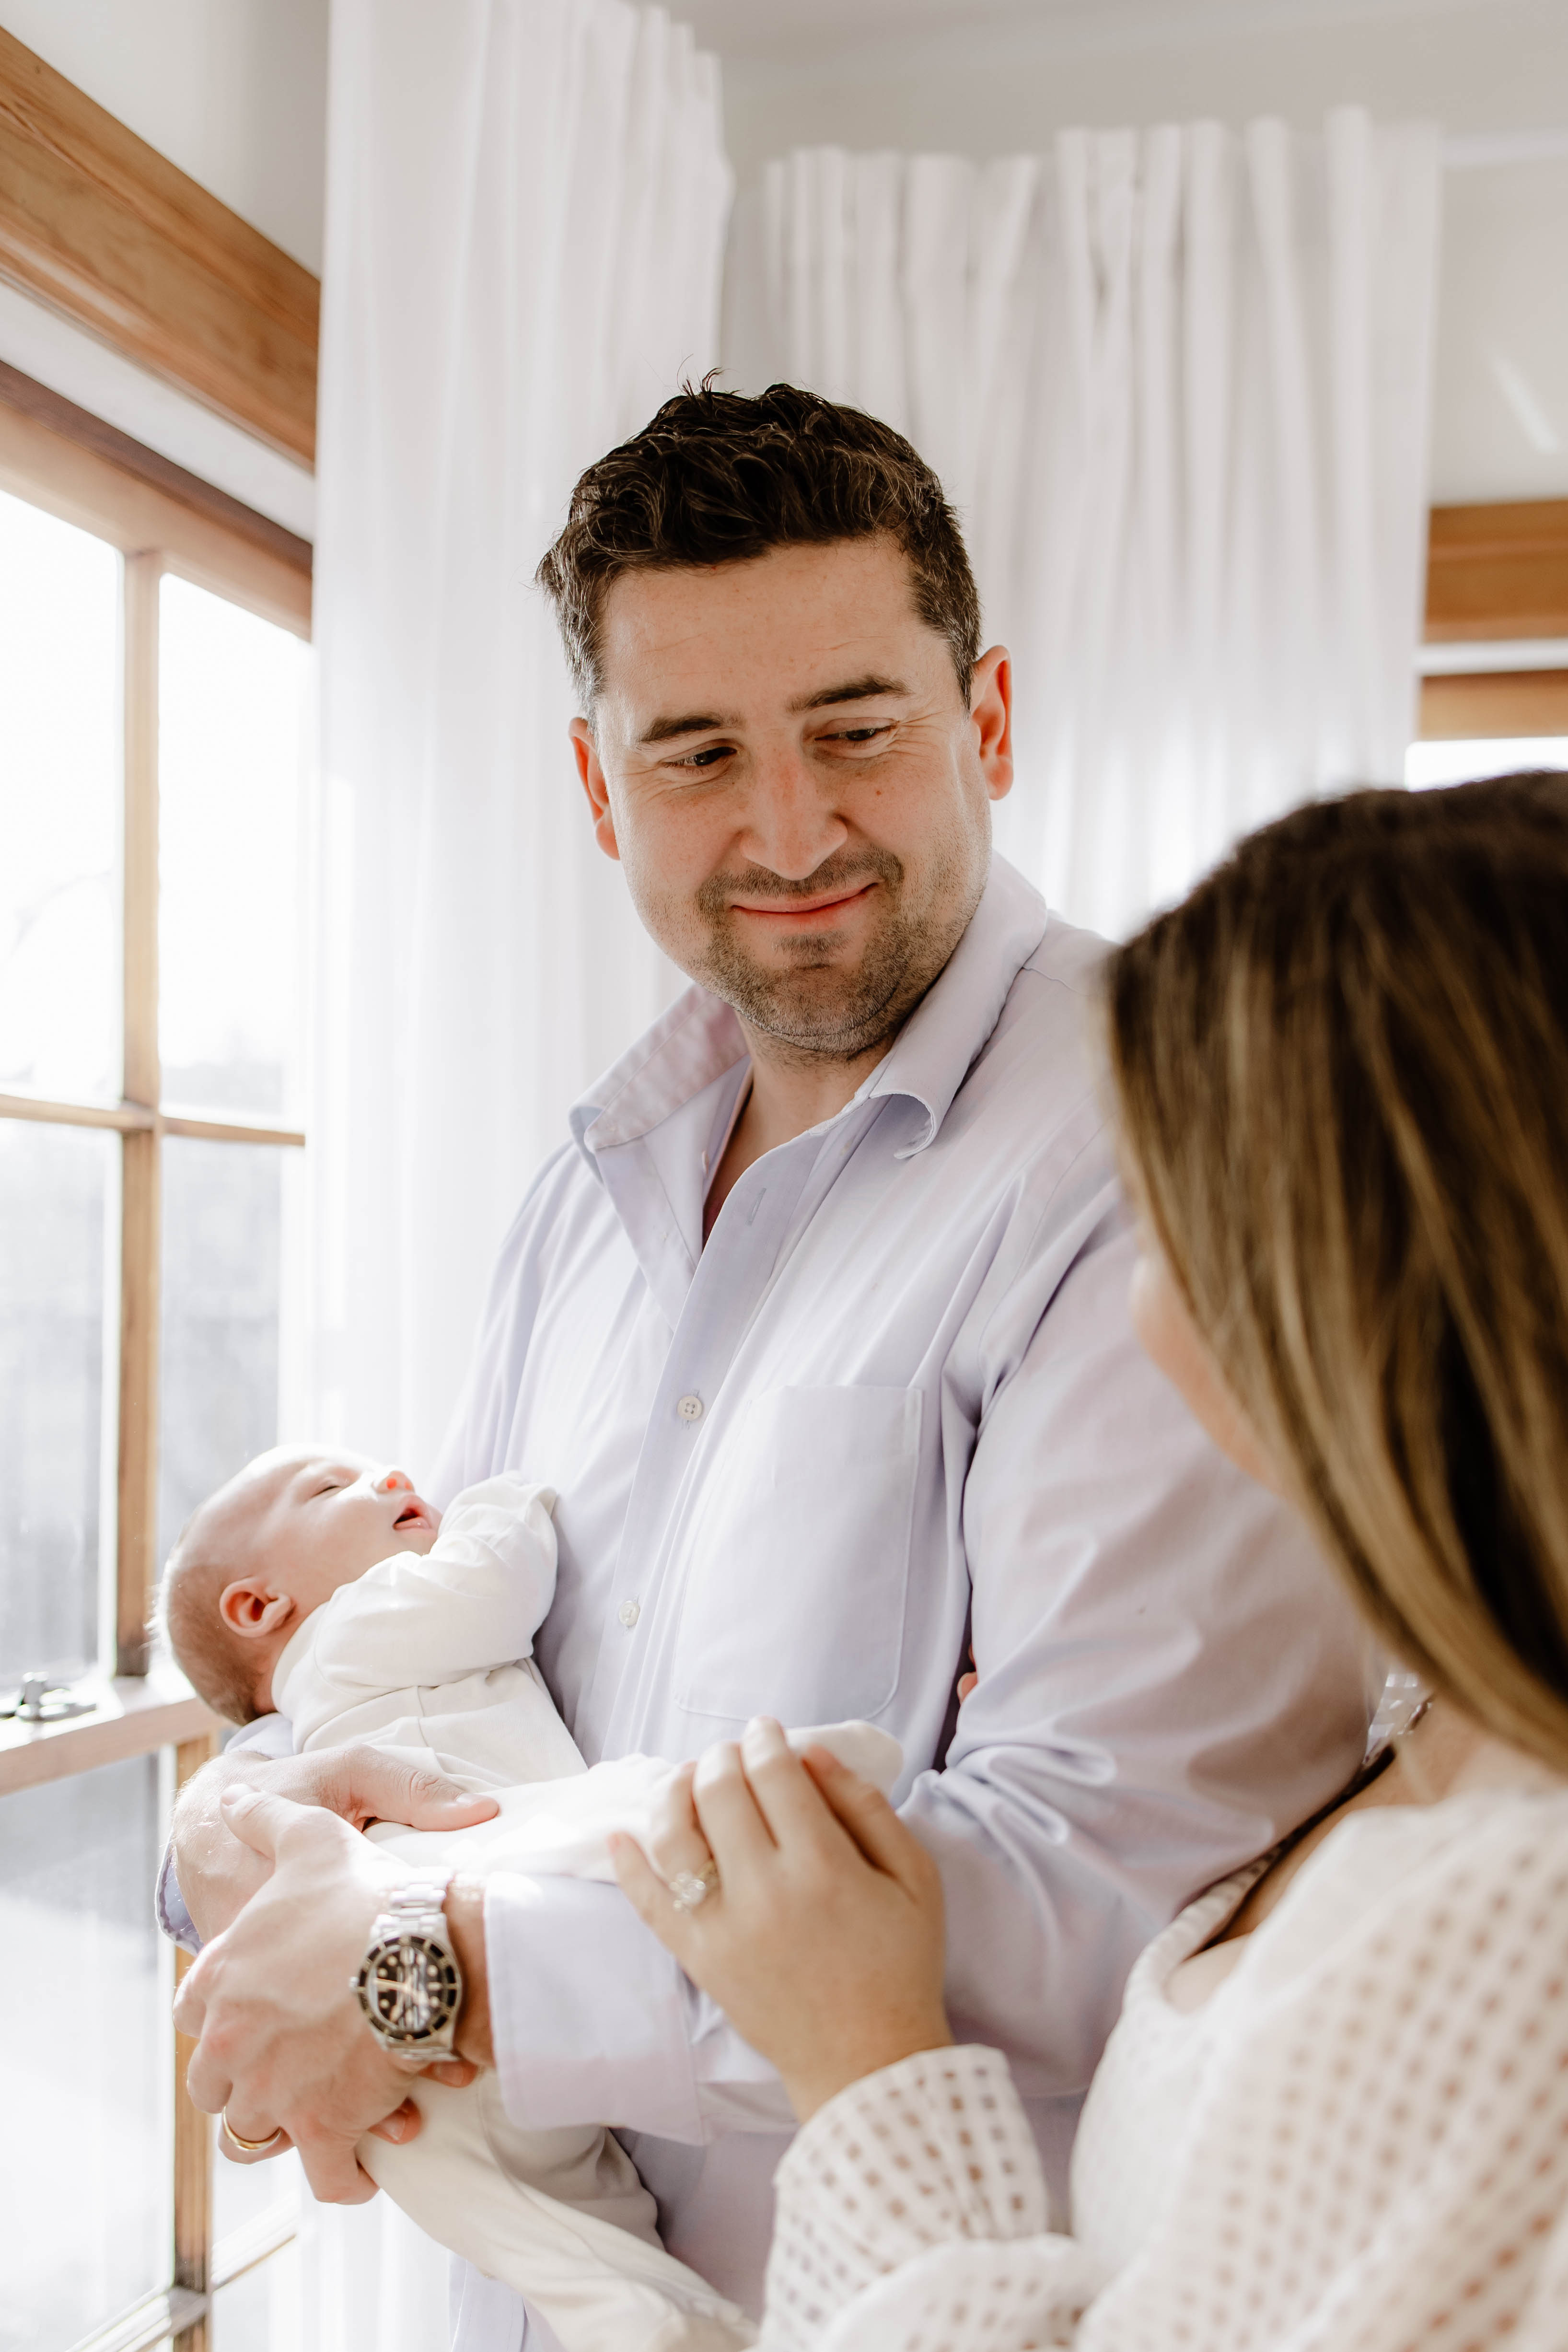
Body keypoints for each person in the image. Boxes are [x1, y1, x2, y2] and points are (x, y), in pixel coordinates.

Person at [166, 385, 1371, 2345]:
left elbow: (1118, 1873)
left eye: (856, 728)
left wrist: (423, 1964)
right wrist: (239, 1833)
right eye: (699, 752)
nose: (790, 828)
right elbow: (436, 1649)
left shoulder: (1166, 1142)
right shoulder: (583, 1193)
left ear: (985, 720)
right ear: (598, 786)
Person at [607, 773, 1568, 2349]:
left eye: (1159, 1202)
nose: (1128, 1269)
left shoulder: (1505, 1925)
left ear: (1337, 1276)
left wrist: (866, 2057)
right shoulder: (1437, 1725)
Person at [161, 1443, 891, 2349]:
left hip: (402, 2081)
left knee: (558, 2245)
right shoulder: (361, 1621)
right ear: (259, 1606)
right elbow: (492, 1584)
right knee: (624, 1818)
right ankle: (792, 1789)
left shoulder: (321, 1688)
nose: (394, 1477)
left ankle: (665, 2328)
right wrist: (507, 1500)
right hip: (470, 1887)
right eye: (333, 1487)